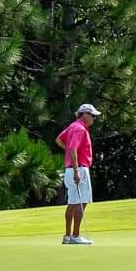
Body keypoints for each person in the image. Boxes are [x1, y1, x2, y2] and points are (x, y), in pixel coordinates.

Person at [57, 103, 100, 245]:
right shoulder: (80, 129)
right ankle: (76, 235)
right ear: (85, 115)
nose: (94, 118)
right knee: (81, 202)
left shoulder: (72, 126)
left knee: (72, 202)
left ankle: (68, 236)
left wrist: (70, 152)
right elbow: (73, 148)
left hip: (70, 169)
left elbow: (59, 140)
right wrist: (77, 170)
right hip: (79, 169)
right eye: (92, 115)